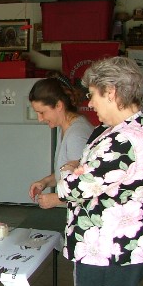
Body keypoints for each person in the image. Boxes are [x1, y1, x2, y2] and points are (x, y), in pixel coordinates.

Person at [57, 56, 143, 286]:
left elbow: (72, 187)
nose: (90, 103)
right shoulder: (131, 128)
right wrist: (81, 168)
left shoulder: (124, 138)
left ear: (111, 91)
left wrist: (70, 171)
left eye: (92, 94)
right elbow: (90, 175)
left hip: (110, 251)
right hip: (116, 248)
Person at [28, 76, 94, 209]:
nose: (40, 119)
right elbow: (68, 173)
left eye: (42, 112)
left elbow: (89, 184)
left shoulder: (77, 134)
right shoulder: (65, 128)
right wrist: (45, 182)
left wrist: (57, 199)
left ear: (58, 105)